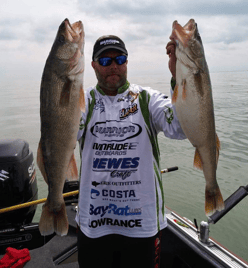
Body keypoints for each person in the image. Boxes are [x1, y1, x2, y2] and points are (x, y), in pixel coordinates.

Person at [76, 35, 186, 268]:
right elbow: (62, 134)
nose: (113, 65)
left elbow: (180, 127)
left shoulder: (147, 99)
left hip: (142, 225)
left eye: (120, 59)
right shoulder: (81, 101)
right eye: (105, 61)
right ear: (93, 65)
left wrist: (181, 75)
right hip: (93, 223)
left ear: (127, 63)